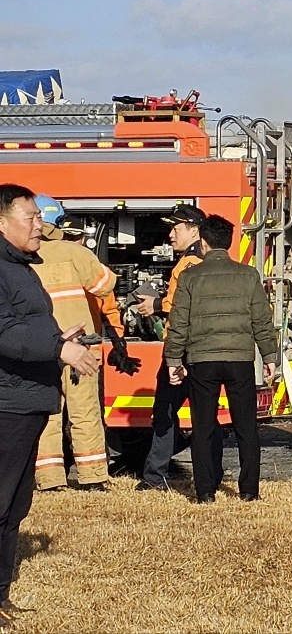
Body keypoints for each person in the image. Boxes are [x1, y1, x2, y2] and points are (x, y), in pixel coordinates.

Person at [0, 184, 99, 626]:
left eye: (40, 216)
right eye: (31, 216)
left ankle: (0, 595)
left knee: (15, 506)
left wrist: (61, 339)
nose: (41, 224)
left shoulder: (22, 267)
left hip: (27, 399)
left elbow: (26, 326)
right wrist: (59, 351)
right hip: (7, 403)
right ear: (2, 222)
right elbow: (4, 332)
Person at [164, 214, 278, 503]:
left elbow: (179, 323)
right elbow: (261, 320)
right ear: (228, 243)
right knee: (246, 426)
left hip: (202, 360)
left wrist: (174, 360)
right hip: (239, 359)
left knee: (203, 426)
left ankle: (205, 492)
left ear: (202, 242)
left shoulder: (190, 277)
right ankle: (249, 490)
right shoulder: (248, 275)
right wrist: (269, 355)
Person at [30, 196, 121, 492]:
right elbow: (104, 284)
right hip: (82, 347)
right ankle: (93, 476)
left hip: (42, 346)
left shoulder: (20, 256)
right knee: (85, 412)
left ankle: (49, 479)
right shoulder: (72, 251)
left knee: (48, 413)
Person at [136, 204, 216, 492]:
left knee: (166, 412)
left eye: (176, 228)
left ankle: (154, 477)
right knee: (205, 415)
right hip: (205, 349)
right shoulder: (207, 259)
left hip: (180, 349)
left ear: (194, 230)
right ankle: (212, 474)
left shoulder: (188, 263)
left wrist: (155, 305)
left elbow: (184, 302)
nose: (170, 234)